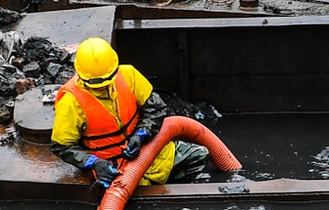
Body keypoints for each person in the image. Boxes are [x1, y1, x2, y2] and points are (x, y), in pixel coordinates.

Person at [51, 37, 211, 187]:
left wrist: (141, 134)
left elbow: (157, 109)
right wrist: (94, 162)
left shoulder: (129, 75)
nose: (102, 87)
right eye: (97, 85)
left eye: (107, 81)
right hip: (112, 170)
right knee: (119, 202)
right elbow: (62, 146)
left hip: (146, 152)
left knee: (199, 156)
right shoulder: (71, 101)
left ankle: (167, 190)